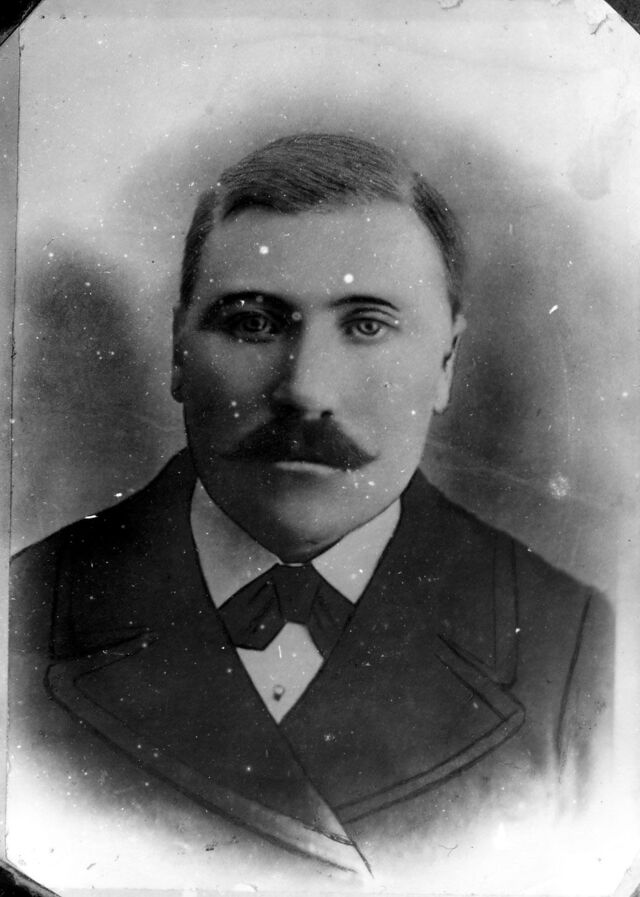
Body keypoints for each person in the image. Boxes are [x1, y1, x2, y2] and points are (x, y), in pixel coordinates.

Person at [9, 133, 613, 888]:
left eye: (367, 325)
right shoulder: (25, 608)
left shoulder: (574, 643)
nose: (304, 390)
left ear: (446, 364)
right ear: (177, 349)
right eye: (253, 323)